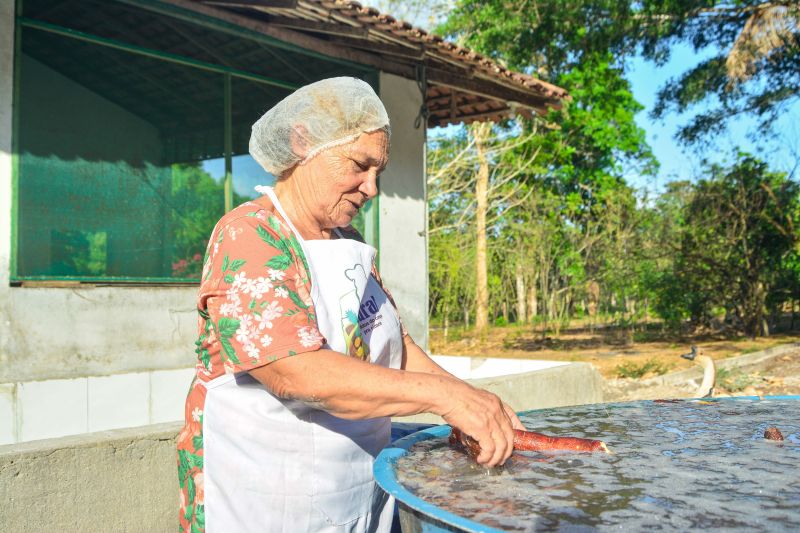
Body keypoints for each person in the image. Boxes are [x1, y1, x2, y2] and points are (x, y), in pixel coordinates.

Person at [177, 77, 522, 533]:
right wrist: (446, 398)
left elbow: (394, 346)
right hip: (264, 495)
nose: (372, 188)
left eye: (378, 171)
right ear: (303, 143)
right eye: (360, 165)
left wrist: (476, 404)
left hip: (355, 489)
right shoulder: (251, 234)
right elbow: (292, 370)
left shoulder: (349, 242)